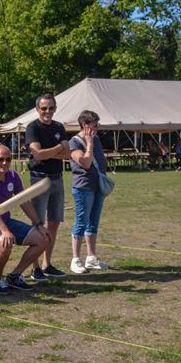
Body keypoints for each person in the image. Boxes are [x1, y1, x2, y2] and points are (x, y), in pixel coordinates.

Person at [0, 145, 50, 294]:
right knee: (4, 241)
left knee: (43, 239)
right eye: (1, 159)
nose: (5, 163)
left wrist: (39, 224)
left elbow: (24, 201)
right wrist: (4, 231)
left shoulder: (13, 176)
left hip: (4, 221)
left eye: (8, 159)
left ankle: (15, 275)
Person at [24, 93, 70, 281]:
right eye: (44, 108)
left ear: (55, 108)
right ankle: (35, 268)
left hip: (57, 178)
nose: (47, 111)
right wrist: (59, 147)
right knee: (38, 224)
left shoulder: (59, 127)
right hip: (39, 179)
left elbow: (67, 155)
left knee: (54, 223)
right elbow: (38, 154)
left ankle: (47, 264)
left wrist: (48, 152)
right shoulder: (32, 127)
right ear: (37, 109)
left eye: (51, 108)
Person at [68, 110, 111, 274]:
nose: (97, 128)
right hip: (83, 187)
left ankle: (91, 258)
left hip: (97, 186)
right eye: (95, 125)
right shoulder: (74, 142)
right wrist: (89, 143)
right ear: (84, 125)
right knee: (81, 222)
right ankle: (75, 260)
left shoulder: (97, 139)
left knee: (93, 221)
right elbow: (85, 163)